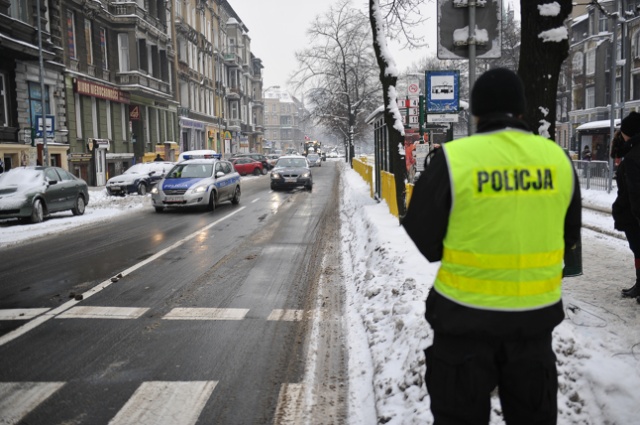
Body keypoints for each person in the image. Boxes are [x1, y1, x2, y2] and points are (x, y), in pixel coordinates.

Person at [402, 68, 582, 425]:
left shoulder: (454, 159)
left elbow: (421, 234)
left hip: (462, 325)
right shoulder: (558, 160)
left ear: (477, 111)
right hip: (534, 329)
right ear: (521, 110)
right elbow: (569, 239)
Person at [611, 112, 640, 299]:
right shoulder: (633, 151)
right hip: (632, 212)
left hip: (634, 214)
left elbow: (635, 192)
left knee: (638, 249)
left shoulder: (633, 157)